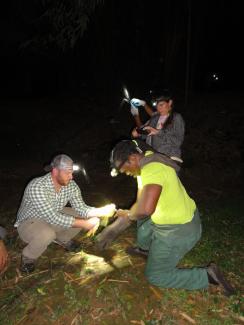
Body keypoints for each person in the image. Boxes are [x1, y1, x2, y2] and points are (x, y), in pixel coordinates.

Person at [110, 140, 235, 296]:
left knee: (155, 276)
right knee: (141, 217)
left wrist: (129, 215)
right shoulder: (148, 159)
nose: (125, 172)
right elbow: (142, 200)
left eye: (124, 169)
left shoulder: (152, 169)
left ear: (133, 158)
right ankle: (145, 249)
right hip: (182, 218)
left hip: (178, 231)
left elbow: (146, 208)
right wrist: (130, 212)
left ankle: (207, 276)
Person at [15, 154, 116, 273]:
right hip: (28, 223)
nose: (71, 177)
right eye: (68, 173)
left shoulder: (71, 186)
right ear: (55, 171)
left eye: (72, 172)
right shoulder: (37, 186)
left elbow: (81, 208)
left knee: (81, 216)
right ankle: (28, 257)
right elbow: (52, 217)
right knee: (47, 234)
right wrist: (85, 224)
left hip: (51, 217)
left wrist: (100, 211)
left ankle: (63, 238)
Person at [130, 90, 185, 163]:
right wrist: (137, 133)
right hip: (152, 157)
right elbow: (146, 134)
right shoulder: (155, 119)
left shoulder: (176, 117)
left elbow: (178, 141)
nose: (158, 108)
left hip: (169, 157)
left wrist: (158, 132)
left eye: (161, 105)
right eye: (157, 106)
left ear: (170, 102)